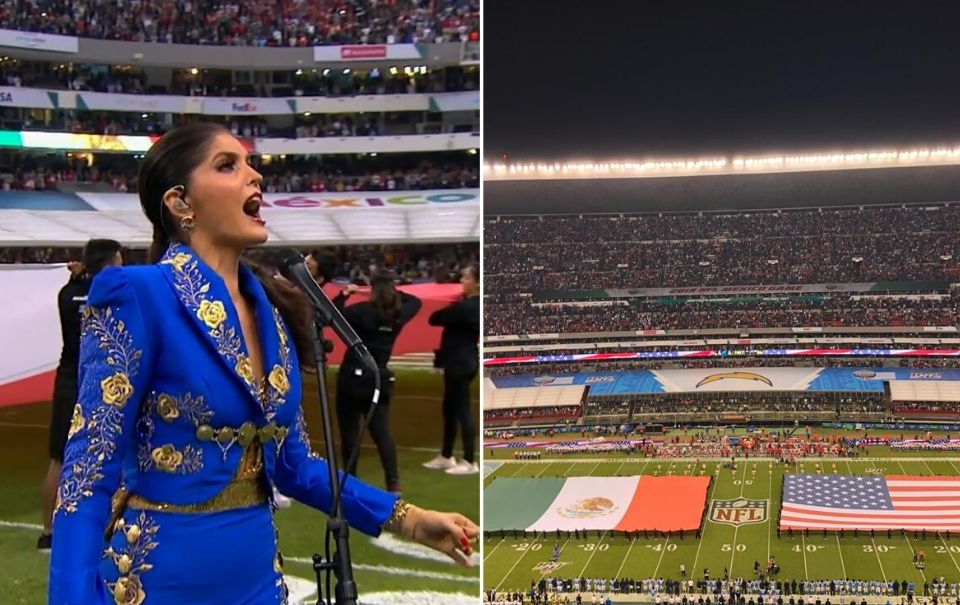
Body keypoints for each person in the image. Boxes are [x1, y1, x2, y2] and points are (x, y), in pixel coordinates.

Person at [49, 123, 477, 605]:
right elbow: (87, 474)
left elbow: (295, 466)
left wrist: (409, 519)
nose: (255, 176)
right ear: (180, 201)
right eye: (228, 165)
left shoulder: (272, 314)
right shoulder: (135, 294)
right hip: (158, 579)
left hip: (258, 577)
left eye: (250, 162)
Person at [38, 238, 123, 551]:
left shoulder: (66, 293)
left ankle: (48, 533)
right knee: (111, 454)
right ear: (112, 261)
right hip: (102, 378)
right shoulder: (116, 291)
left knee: (58, 458)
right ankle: (108, 525)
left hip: (68, 376)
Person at [332, 273, 422, 493]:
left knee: (350, 433)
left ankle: (351, 480)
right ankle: (393, 482)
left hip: (352, 377)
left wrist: (344, 295)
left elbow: (333, 315)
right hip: (379, 378)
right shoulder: (398, 313)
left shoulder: (362, 312)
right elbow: (416, 301)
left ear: (372, 290)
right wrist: (392, 292)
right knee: (382, 433)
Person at [421, 264, 480, 474]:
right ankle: (446, 456)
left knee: (462, 411)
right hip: (462, 360)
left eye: (465, 277)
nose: (461, 281)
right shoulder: (470, 305)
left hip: (459, 362)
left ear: (477, 282)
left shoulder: (468, 307)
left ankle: (469, 461)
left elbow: (434, 318)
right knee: (450, 409)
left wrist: (451, 304)